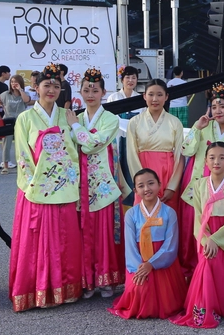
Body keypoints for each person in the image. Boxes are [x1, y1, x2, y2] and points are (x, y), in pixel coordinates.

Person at [8, 63, 84, 311]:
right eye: (46, 85)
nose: (51, 90)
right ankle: (37, 289)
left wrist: (71, 180)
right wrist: (32, 185)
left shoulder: (67, 116)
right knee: (37, 240)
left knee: (64, 238)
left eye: (56, 86)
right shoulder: (26, 118)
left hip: (64, 186)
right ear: (35, 87)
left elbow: (74, 152)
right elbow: (22, 154)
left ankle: (64, 289)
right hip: (37, 188)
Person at [172, 143, 224, 329]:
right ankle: (205, 306)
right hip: (205, 234)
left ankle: (222, 305)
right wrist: (206, 239)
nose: (216, 161)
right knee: (206, 267)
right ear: (205, 161)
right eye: (212, 157)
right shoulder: (198, 185)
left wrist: (216, 239)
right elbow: (197, 216)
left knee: (223, 271)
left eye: (222, 157)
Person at [108, 169, 187, 320]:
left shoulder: (170, 212)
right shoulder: (131, 214)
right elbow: (130, 245)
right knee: (140, 295)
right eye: (141, 186)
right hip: (139, 263)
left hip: (163, 262)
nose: (147, 189)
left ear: (159, 185)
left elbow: (171, 244)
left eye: (151, 183)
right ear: (135, 190)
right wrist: (140, 267)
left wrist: (152, 264)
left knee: (168, 302)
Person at [74, 68, 126, 298]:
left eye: (95, 90)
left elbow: (92, 144)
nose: (90, 93)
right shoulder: (76, 118)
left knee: (103, 230)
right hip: (80, 182)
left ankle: (106, 279)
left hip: (103, 181)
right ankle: (88, 279)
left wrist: (77, 129)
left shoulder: (110, 119)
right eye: (86, 89)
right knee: (84, 230)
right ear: (80, 92)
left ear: (104, 92)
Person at [126, 79, 187, 267]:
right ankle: (140, 264)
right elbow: (131, 153)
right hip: (144, 175)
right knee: (141, 220)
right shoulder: (134, 122)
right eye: (151, 94)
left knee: (168, 220)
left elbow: (179, 155)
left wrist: (172, 186)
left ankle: (168, 265)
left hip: (168, 175)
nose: (155, 99)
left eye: (160, 94)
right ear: (144, 96)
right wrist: (141, 185)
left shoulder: (174, 122)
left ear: (167, 97)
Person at [0, 74, 32, 174]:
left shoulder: (24, 93)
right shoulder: (6, 94)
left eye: (15, 82)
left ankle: (24, 164)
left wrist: (20, 89)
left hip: (20, 121)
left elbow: (26, 100)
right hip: (8, 121)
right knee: (6, 144)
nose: (13, 84)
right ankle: (5, 165)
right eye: (12, 82)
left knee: (22, 143)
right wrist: (1, 106)